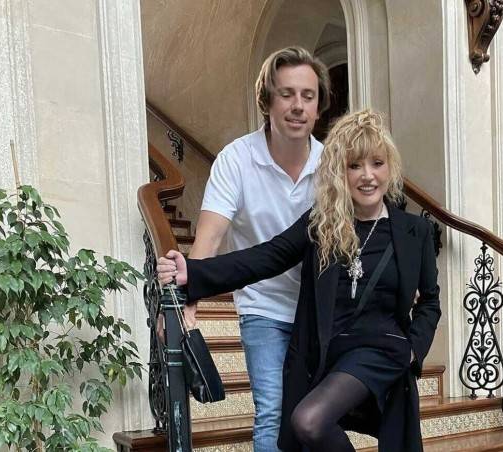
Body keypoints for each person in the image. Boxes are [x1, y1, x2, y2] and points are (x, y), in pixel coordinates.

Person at [159, 110, 441, 452]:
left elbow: (430, 301)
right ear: (340, 172)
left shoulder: (415, 231)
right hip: (330, 353)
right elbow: (267, 257)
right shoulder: (322, 224)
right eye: (355, 165)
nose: (367, 176)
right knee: (304, 428)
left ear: (390, 168)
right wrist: (194, 272)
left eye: (377, 163)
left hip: (382, 350)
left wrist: (413, 349)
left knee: (309, 420)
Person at [180, 46, 330, 452]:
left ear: (318, 107)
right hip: (263, 306)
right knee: (274, 412)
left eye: (308, 96)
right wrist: (188, 298)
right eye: (286, 94)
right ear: (266, 101)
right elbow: (209, 237)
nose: (297, 106)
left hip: (318, 308)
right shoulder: (236, 159)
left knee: (318, 417)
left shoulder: (332, 164)